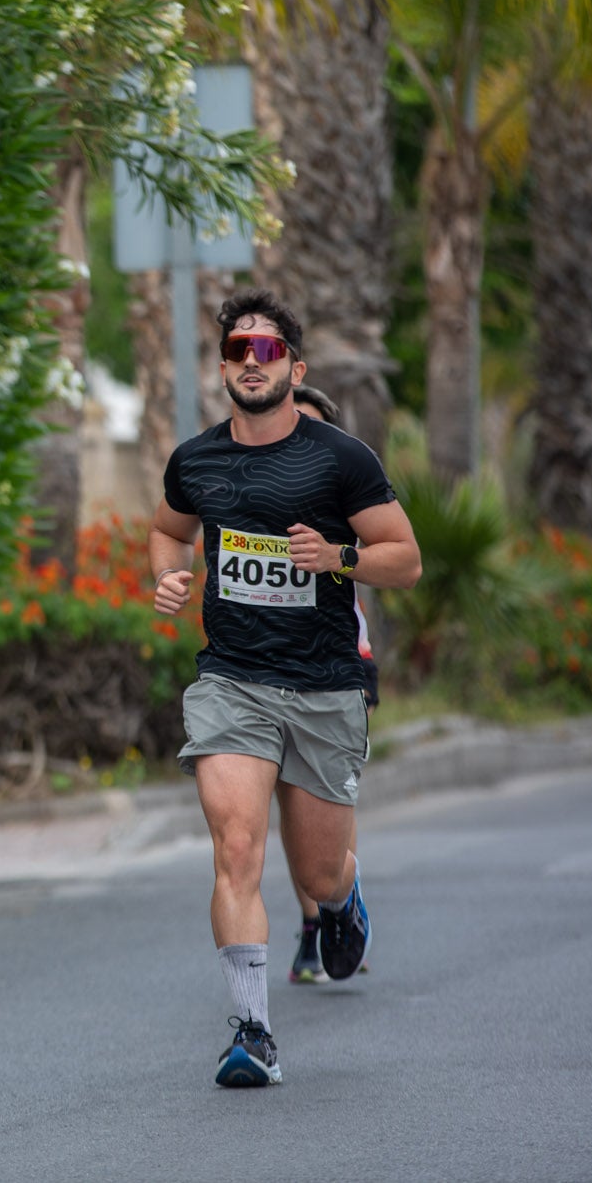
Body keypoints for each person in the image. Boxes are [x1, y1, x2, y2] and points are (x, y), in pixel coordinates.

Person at [150, 289, 420, 1088]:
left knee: (315, 873)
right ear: (223, 366)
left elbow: (403, 558)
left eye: (266, 350)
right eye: (237, 348)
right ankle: (253, 1031)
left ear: (294, 368)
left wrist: (336, 558)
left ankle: (343, 898)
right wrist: (170, 572)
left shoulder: (340, 459)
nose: (249, 361)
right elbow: (168, 529)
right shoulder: (195, 459)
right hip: (232, 678)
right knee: (235, 847)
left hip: (325, 685)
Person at [282, 384, 372, 986]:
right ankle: (313, 920)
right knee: (286, 801)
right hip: (260, 666)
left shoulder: (348, 482)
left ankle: (338, 898)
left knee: (327, 795)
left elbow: (391, 553)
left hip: (340, 661)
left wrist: (336, 552)